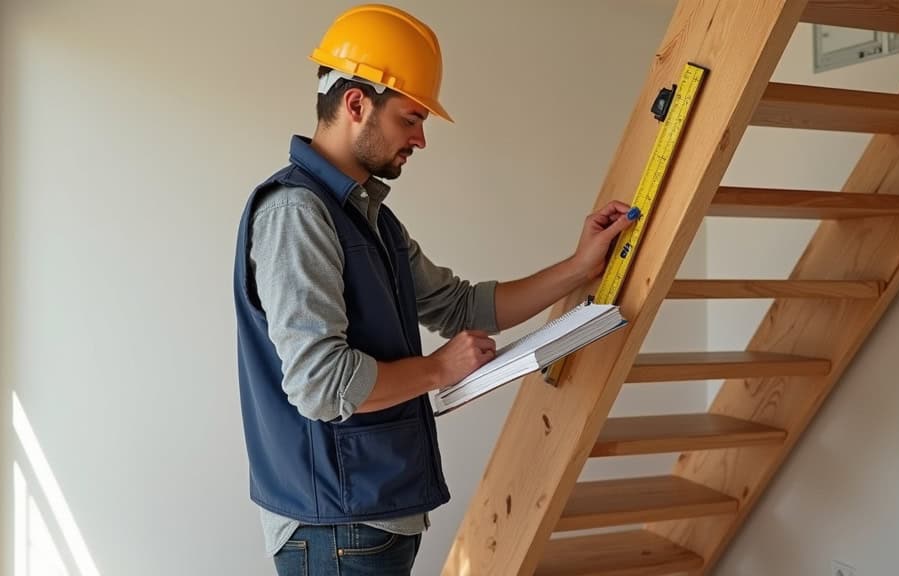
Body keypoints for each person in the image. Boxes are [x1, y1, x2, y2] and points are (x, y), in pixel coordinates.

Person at [233, 4, 638, 575]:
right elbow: (319, 384)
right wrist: (440, 369)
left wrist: (579, 267)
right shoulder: (297, 213)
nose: (421, 139)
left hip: (374, 511)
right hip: (336, 523)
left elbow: (461, 306)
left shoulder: (370, 218)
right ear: (356, 104)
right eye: (410, 119)